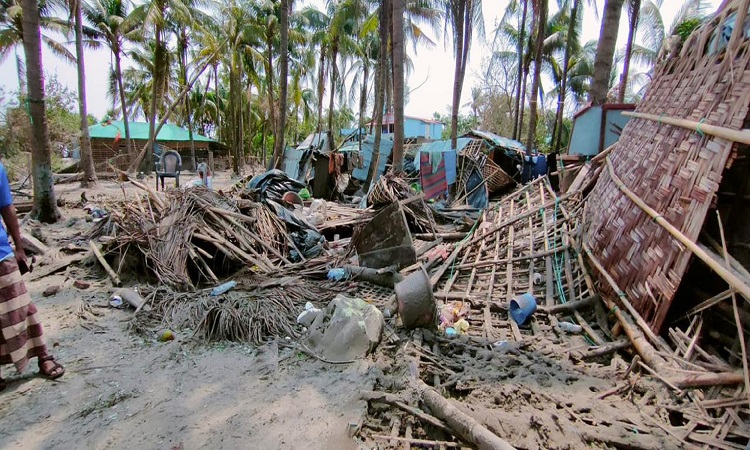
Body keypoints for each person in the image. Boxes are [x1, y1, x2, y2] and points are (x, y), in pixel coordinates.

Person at [0, 162, 64, 390]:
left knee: (22, 307)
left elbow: (7, 208)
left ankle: (43, 356)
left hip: (0, 254)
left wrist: (18, 247)